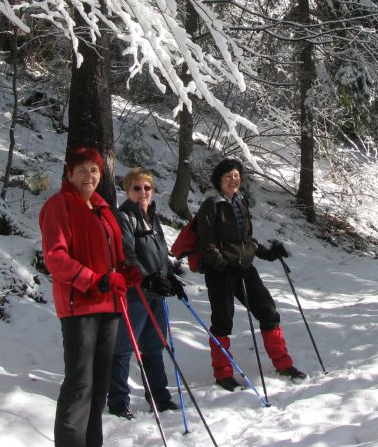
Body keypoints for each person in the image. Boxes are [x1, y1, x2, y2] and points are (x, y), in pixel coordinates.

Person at [39, 147, 141, 447]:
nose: (89, 175)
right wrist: (94, 281)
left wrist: (127, 271)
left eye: (94, 170)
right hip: (80, 307)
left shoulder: (102, 208)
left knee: (98, 387)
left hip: (109, 306)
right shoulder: (59, 205)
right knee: (79, 385)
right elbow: (55, 257)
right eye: (82, 170)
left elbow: (114, 256)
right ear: (69, 174)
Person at [196, 156, 307, 390]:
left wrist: (265, 251)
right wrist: (225, 265)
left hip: (244, 269)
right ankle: (223, 373)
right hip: (221, 273)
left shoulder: (240, 202)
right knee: (223, 322)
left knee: (267, 310)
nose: (233, 180)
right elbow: (207, 245)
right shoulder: (211, 205)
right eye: (228, 177)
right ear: (219, 180)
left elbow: (245, 240)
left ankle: (283, 363)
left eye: (236, 176)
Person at [107, 167, 184, 420]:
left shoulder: (152, 215)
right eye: (136, 188)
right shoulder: (124, 217)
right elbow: (127, 255)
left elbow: (161, 252)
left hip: (155, 292)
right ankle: (118, 402)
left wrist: (170, 276)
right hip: (135, 291)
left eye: (147, 188)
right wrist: (147, 278)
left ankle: (159, 396)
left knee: (154, 345)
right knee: (124, 347)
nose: (142, 192)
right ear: (127, 190)